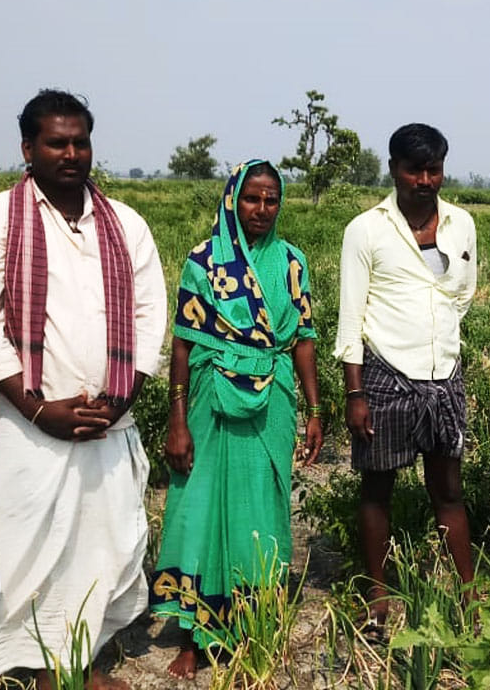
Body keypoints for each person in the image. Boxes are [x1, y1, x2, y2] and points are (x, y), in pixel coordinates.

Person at [0, 90, 168, 690]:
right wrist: (37, 408)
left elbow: (150, 312)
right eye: (56, 142)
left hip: (108, 418)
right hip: (32, 425)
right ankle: (32, 662)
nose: (71, 153)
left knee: (104, 540)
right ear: (28, 148)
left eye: (80, 141)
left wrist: (121, 399)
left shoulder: (124, 222)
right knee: (27, 546)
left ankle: (81, 657)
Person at [150, 160, 323, 679]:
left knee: (262, 513)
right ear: (233, 199)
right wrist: (176, 419)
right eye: (252, 198)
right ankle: (193, 637)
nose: (262, 210)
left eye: (271, 200)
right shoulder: (204, 262)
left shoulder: (293, 262)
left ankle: (257, 629)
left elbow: (305, 339)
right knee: (199, 507)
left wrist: (316, 410)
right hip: (209, 400)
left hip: (273, 401)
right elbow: (181, 344)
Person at [335, 123, 477, 632]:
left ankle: (466, 594)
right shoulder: (366, 229)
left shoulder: (462, 224)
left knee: (448, 489)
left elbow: (461, 295)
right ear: (393, 168)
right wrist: (356, 393)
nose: (424, 179)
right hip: (384, 374)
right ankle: (376, 593)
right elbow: (350, 316)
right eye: (414, 169)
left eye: (433, 169)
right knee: (377, 489)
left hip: (445, 375)